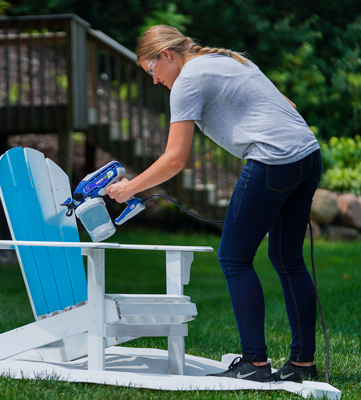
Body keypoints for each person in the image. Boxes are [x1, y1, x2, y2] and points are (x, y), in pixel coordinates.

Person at [106, 25, 321, 383]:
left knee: (233, 258)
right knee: (288, 258)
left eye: (151, 70)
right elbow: (288, 105)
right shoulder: (227, 58)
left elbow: (175, 159)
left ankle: (255, 363)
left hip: (272, 160)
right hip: (307, 155)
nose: (155, 81)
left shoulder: (189, 79)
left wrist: (131, 188)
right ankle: (302, 364)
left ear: (166, 55)